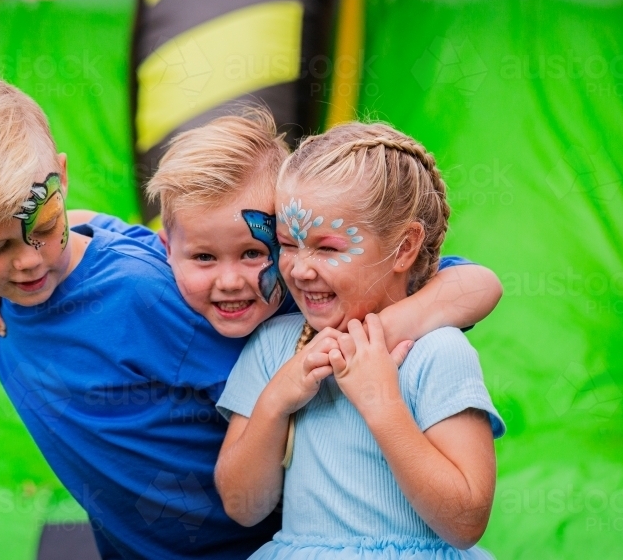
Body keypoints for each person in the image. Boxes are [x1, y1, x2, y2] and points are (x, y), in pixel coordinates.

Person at [0, 74, 501, 559]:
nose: (28, 260)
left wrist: (367, 337)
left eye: (42, 230)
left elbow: (464, 280)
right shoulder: (32, 272)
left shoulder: (185, 296)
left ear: (59, 181)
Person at [215, 122, 506, 559]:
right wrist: (276, 401)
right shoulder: (276, 347)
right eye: (288, 244)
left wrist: (382, 404)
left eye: (328, 248)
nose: (299, 269)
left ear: (405, 247)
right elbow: (243, 507)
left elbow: (465, 522)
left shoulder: (437, 353)